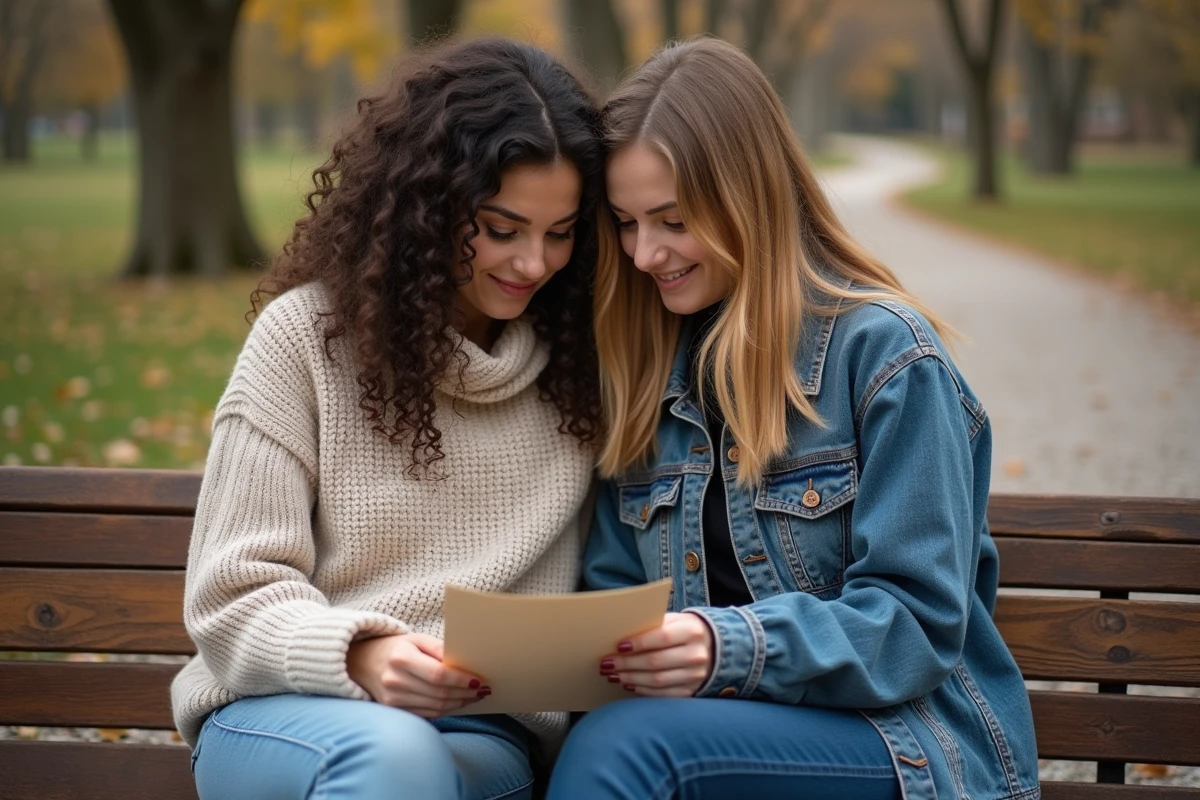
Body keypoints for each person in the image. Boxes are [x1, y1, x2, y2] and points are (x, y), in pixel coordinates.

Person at [546, 37, 1040, 800]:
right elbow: (614, 598)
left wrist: (725, 646)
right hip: (718, 741)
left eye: (672, 220)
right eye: (625, 222)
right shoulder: (643, 371)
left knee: (631, 748)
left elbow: (914, 624)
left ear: (748, 198)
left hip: (904, 744)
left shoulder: (885, 356)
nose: (644, 254)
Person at [173, 36, 604, 800]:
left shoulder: (582, 369)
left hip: (477, 736)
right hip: (284, 712)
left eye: (560, 233)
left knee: (412, 763)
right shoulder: (304, 339)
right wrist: (363, 656)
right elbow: (230, 596)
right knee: (395, 759)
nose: (533, 263)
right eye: (501, 229)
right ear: (426, 207)